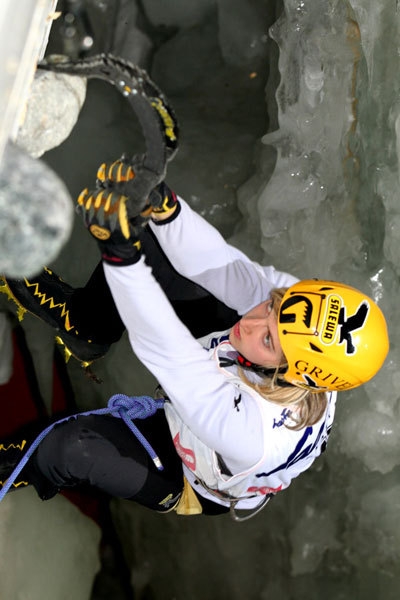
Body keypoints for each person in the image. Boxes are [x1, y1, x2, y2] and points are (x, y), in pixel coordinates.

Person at [0, 164, 389, 520]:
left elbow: (168, 351)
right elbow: (226, 268)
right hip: (231, 381)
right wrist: (166, 209)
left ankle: (11, 469)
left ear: (294, 375)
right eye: (272, 306)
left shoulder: (256, 436)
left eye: (269, 338)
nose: (251, 322)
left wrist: (121, 258)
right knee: (153, 244)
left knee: (66, 449)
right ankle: (86, 328)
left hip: (189, 469)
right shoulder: (302, 323)